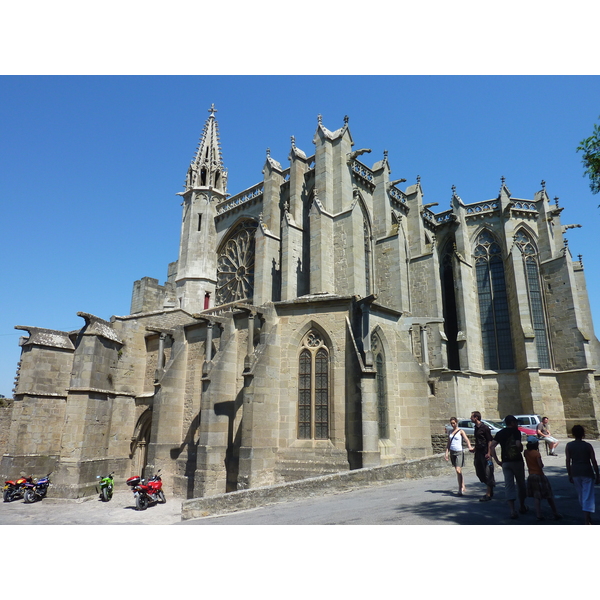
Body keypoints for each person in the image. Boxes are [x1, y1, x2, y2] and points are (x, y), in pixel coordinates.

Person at [490, 415, 528, 519]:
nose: (517, 424)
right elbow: (518, 445)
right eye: (515, 422)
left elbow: (492, 446)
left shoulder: (500, 433)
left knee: (509, 485)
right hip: (516, 461)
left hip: (505, 462)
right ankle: (522, 506)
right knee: (521, 484)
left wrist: (497, 460)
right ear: (512, 423)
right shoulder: (516, 432)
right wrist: (520, 447)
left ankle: (512, 510)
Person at [565, 425, 600, 525]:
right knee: (587, 494)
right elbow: (593, 461)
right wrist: (597, 474)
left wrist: (569, 474)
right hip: (587, 471)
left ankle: (587, 516)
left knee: (581, 494)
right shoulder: (587, 446)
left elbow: (568, 461)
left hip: (576, 472)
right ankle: (587, 517)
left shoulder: (569, 445)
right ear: (583, 434)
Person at [524, 436, 562, 521]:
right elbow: (540, 465)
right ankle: (555, 512)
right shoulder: (536, 454)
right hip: (539, 475)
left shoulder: (526, 452)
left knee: (536, 496)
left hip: (531, 475)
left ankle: (538, 514)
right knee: (548, 494)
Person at [469, 411, 495, 502]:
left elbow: (489, 441)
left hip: (485, 453)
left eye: (471, 417)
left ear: (476, 417)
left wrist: (489, 453)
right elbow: (479, 441)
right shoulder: (476, 428)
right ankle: (490, 486)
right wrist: (474, 449)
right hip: (478, 452)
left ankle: (488, 494)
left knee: (488, 473)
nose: (470, 418)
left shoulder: (485, 428)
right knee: (479, 472)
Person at [445, 417, 474, 496]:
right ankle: (463, 485)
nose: (453, 424)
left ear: (456, 422)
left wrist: (469, 447)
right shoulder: (450, 432)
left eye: (454, 423)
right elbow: (448, 443)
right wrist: (446, 453)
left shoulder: (461, 431)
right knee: (457, 470)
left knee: (458, 470)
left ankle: (460, 488)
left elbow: (466, 439)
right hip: (452, 452)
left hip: (459, 452)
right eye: (451, 423)